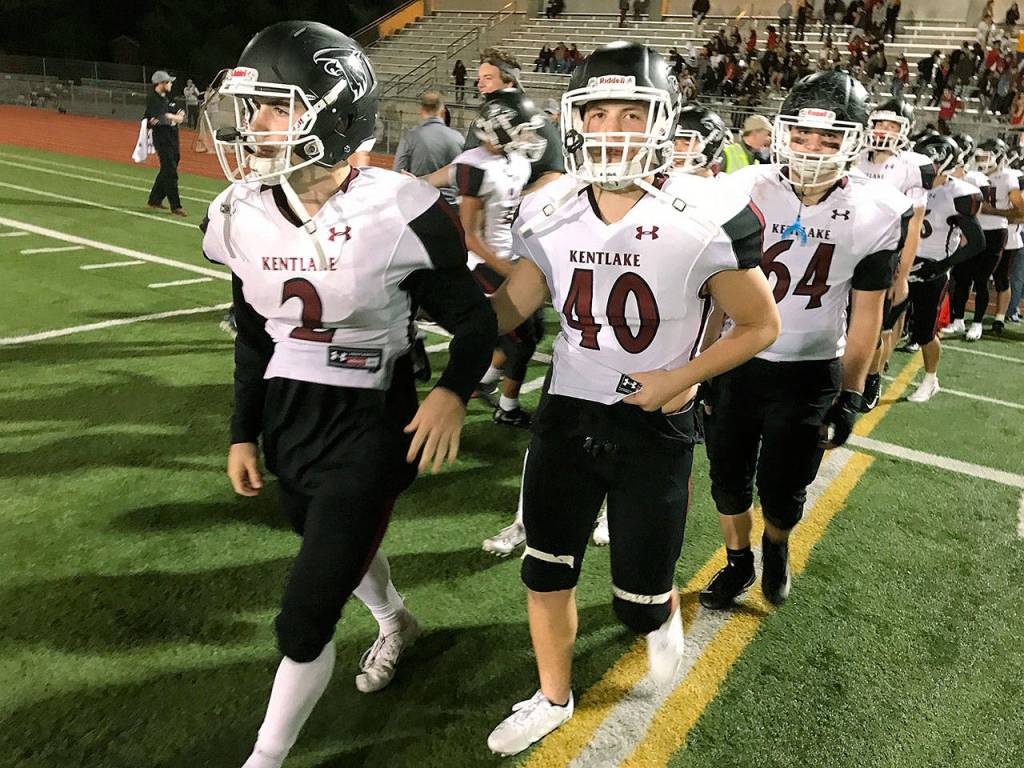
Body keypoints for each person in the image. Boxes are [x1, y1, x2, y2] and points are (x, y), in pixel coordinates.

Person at [201, 22, 496, 768]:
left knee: (304, 617)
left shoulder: (399, 210)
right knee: (333, 549)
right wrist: (243, 429)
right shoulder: (238, 211)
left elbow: (473, 320)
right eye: (253, 107)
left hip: (371, 420)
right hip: (287, 415)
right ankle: (396, 620)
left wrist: (455, 391)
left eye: (274, 107)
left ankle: (264, 759)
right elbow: (254, 334)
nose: (253, 125)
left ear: (334, 116)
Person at [485, 41, 780, 756]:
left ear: (661, 121)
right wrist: (439, 327)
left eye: (631, 112)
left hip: (655, 423)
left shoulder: (703, 211)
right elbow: (515, 302)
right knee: (545, 566)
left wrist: (680, 379)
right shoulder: (548, 205)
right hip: (568, 411)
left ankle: (660, 617)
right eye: (598, 111)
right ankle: (552, 697)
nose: (612, 128)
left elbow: (760, 323)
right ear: (575, 119)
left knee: (636, 600)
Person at [698, 71, 914, 612]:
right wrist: (701, 364)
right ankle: (737, 560)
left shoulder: (876, 209)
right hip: (737, 360)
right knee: (726, 477)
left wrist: (850, 392)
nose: (812, 149)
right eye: (801, 136)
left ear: (855, 141)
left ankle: (775, 544)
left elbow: (867, 311)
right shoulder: (741, 188)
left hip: (810, 367)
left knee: (783, 487)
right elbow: (717, 290)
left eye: (830, 139)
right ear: (782, 133)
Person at [854, 97, 935, 411]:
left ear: (906, 129)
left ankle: (872, 375)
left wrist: (902, 270)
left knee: (874, 326)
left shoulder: (912, 165)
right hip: (852, 247)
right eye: (880, 123)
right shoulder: (856, 156)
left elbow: (914, 223)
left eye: (893, 125)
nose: (884, 130)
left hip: (885, 252)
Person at [904, 133, 984, 402]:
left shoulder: (957, 194)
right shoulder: (908, 185)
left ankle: (930, 378)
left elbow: (977, 243)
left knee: (925, 332)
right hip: (901, 262)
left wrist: (940, 266)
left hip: (932, 267)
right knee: (886, 324)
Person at [943, 138, 1010, 340]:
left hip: (994, 232)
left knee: (981, 279)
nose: (982, 161)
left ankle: (978, 323)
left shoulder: (1004, 177)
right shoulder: (972, 174)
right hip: (973, 229)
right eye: (979, 156)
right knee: (962, 276)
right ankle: (958, 320)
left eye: (986, 157)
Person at [392, 90, 465, 207]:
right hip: (451, 206)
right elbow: (463, 175)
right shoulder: (458, 138)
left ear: (421, 110)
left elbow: (397, 174)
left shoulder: (410, 137)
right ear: (442, 111)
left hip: (419, 205)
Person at [144, 70, 186, 216]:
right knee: (170, 172)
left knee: (168, 168)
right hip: (162, 140)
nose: (171, 84)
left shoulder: (169, 98)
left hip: (173, 138)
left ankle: (154, 200)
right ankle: (176, 206)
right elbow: (160, 118)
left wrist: (172, 117)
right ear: (160, 83)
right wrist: (171, 118)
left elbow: (180, 113)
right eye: (168, 82)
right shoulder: (153, 100)